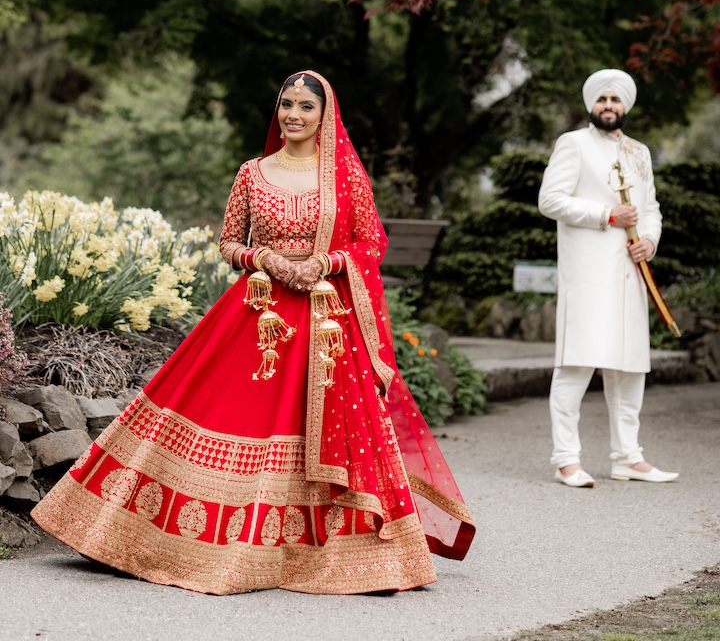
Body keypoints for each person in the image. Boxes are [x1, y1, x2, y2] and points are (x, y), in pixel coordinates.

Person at [32, 70, 474, 593]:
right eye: (287, 104)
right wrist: (264, 258)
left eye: (306, 107)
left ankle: (343, 555)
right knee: (227, 409)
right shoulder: (252, 172)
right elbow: (228, 243)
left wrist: (324, 263)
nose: (294, 115)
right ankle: (145, 537)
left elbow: (370, 243)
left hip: (325, 321)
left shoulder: (344, 178)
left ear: (324, 116)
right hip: (256, 313)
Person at [538, 68, 678, 488]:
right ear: (591, 104)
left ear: (625, 106)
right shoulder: (574, 143)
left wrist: (649, 241)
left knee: (630, 368)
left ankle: (628, 458)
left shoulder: (639, 151)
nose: (608, 106)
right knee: (576, 365)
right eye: (602, 99)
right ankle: (566, 460)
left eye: (615, 100)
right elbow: (550, 200)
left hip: (630, 274)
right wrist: (606, 215)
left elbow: (650, 208)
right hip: (588, 274)